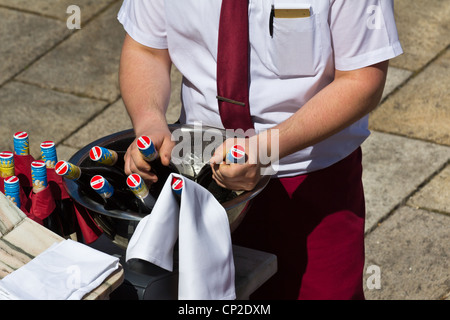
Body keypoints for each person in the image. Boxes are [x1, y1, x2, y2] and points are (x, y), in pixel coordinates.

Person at [117, 0, 403, 300]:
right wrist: (149, 121)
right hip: (197, 175)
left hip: (310, 180)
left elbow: (361, 80)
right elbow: (146, 49)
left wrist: (265, 149)